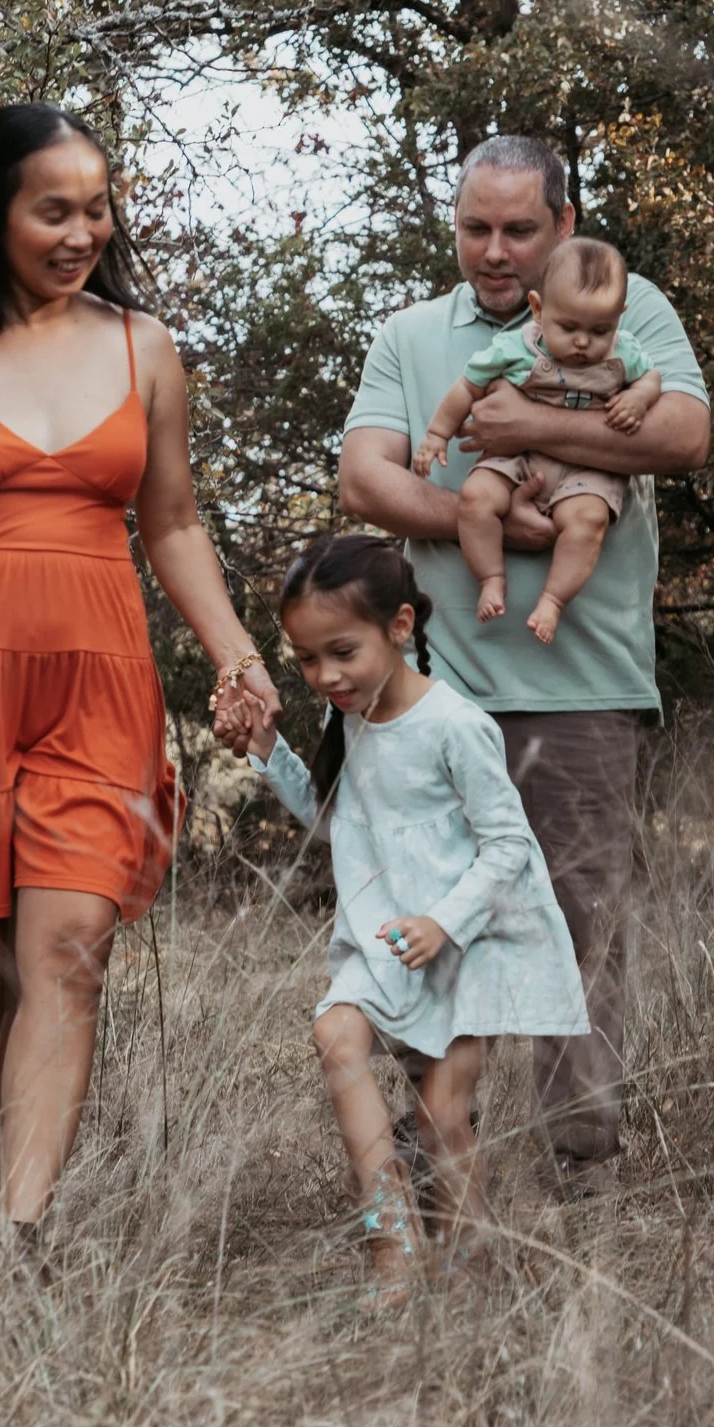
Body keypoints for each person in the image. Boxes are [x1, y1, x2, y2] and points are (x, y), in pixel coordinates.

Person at [0, 102, 280, 1249]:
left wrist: (236, 651)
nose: (82, 233)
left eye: (97, 209)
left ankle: (20, 1236)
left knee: (69, 957)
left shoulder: (144, 349)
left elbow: (172, 523)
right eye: (54, 211)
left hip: (97, 680)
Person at [337, 135, 710, 1191]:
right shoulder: (412, 334)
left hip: (583, 687)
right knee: (423, 927)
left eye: (518, 229)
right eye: (475, 229)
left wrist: (530, 423)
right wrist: (487, 518)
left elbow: (685, 434)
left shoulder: (625, 306)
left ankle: (583, 1168)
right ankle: (432, 1159)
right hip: (435, 691)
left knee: (581, 932)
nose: (495, 251)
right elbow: (363, 479)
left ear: (563, 224)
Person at [218, 534, 588, 1294]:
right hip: (387, 938)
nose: (325, 676)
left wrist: (443, 922)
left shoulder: (454, 724)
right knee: (336, 1034)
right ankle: (392, 1241)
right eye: (307, 659)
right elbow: (338, 819)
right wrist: (266, 747)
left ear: (400, 625)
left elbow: (508, 845)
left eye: (342, 652)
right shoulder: (349, 721)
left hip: (467, 941)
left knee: (442, 1117)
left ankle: (474, 1272)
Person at [414, 236, 664, 641]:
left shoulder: (626, 353)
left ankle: (553, 600)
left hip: (588, 467)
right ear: (538, 308)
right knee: (476, 498)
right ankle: (491, 578)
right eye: (568, 327)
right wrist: (436, 434)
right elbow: (467, 387)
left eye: (600, 330)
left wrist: (639, 397)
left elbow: (651, 378)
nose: (583, 342)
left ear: (619, 317)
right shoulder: (514, 347)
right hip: (518, 456)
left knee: (589, 521)